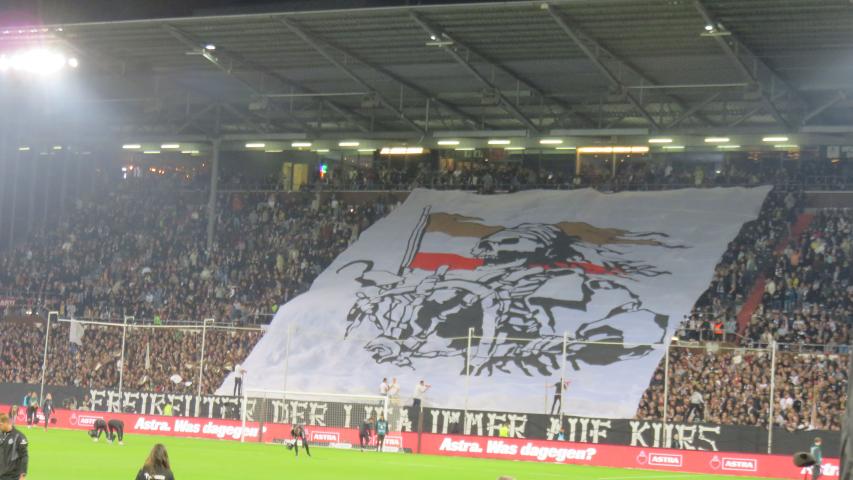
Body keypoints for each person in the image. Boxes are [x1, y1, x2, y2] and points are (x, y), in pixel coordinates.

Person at [0, 413, 28, 480]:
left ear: (6, 423)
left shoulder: (19, 437)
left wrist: (23, 475)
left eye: (0, 424)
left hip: (13, 476)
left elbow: (24, 456)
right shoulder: (1, 435)